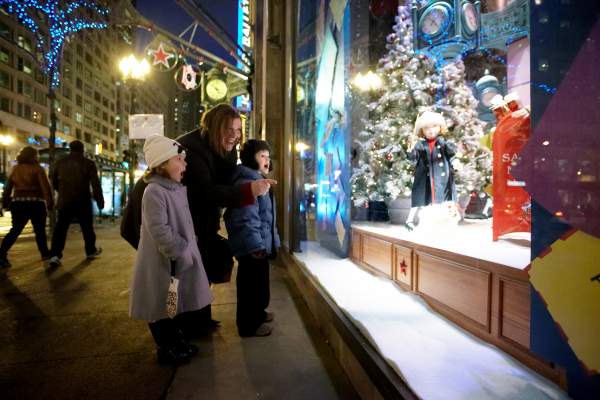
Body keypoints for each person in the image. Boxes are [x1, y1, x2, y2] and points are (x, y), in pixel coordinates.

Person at [176, 104, 276, 338]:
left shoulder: (227, 150)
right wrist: (248, 189)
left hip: (196, 223)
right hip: (174, 225)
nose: (234, 135)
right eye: (228, 129)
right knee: (174, 284)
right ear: (211, 128)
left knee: (199, 273)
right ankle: (173, 335)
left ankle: (198, 322)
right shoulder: (191, 149)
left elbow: (222, 186)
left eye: (238, 129)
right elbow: (204, 192)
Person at [129, 135, 213, 366]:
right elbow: (160, 230)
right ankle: (166, 348)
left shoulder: (174, 189)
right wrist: (181, 250)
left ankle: (176, 342)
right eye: (179, 159)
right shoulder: (154, 191)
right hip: (164, 262)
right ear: (162, 163)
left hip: (175, 262)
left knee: (172, 304)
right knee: (162, 307)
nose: (185, 164)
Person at [224, 139, 280, 337]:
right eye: (261, 156)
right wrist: (255, 244)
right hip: (251, 245)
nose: (266, 160)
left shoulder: (257, 180)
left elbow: (266, 218)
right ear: (250, 158)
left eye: (267, 156)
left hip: (258, 243)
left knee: (260, 283)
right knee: (250, 286)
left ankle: (258, 313)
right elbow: (246, 218)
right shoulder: (247, 183)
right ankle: (249, 325)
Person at [48, 140, 104, 267]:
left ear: (70, 149)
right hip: (82, 200)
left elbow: (54, 181)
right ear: (82, 149)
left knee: (61, 228)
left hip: (65, 201)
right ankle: (90, 250)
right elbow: (95, 184)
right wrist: (99, 200)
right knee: (87, 227)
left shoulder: (60, 162)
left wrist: (62, 192)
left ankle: (55, 255)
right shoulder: (89, 163)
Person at [0, 146, 53, 268]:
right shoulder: (38, 169)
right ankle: (45, 253)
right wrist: (49, 203)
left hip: (18, 203)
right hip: (36, 204)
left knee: (15, 230)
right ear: (34, 156)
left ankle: (1, 254)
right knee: (39, 231)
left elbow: (8, 187)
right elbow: (45, 187)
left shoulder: (16, 169)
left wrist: (5, 202)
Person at [405, 111, 457, 230]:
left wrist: (455, 162)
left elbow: (452, 154)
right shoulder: (420, 144)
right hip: (425, 176)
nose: (430, 130)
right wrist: (410, 150)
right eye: (426, 128)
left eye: (434, 126)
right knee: (421, 196)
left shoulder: (443, 142)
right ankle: (411, 220)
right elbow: (413, 158)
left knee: (445, 197)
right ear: (421, 130)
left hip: (442, 176)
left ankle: (449, 220)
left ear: (440, 127)